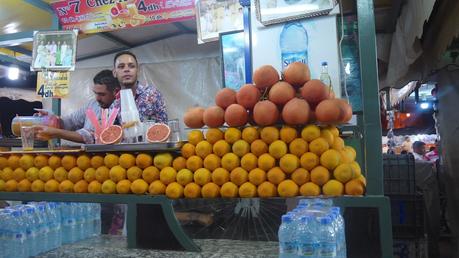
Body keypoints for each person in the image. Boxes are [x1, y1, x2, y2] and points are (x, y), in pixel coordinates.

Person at [34, 70, 120, 144]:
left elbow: (91, 136)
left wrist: (57, 133)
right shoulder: (92, 104)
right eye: (95, 93)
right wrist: (52, 120)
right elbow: (71, 121)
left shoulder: (120, 109)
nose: (97, 98)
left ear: (115, 92)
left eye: (102, 94)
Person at [112, 50, 168, 123]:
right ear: (114, 73)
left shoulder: (153, 94)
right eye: (121, 67)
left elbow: (164, 127)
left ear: (138, 70)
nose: (126, 69)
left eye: (131, 66)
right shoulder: (114, 106)